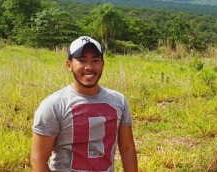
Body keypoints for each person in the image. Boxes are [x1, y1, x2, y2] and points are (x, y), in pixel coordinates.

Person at [31, 36, 138, 171]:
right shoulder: (53, 105)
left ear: (102, 64)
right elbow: (38, 159)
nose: (89, 67)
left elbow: (127, 149)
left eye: (95, 60)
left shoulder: (119, 101)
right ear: (69, 65)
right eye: (81, 60)